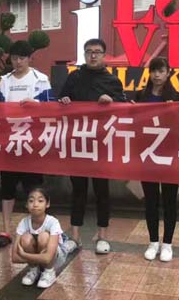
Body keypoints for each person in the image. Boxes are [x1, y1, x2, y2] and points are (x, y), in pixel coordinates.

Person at [59, 38, 126, 255]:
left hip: (102, 144)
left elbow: (125, 109)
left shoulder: (112, 81)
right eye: (89, 52)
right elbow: (60, 101)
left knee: (101, 191)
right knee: (78, 191)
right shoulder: (74, 77)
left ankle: (102, 236)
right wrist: (64, 101)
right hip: (78, 142)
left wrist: (112, 101)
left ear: (104, 55)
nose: (93, 55)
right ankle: (75, 236)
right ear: (84, 54)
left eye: (97, 52)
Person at [0, 40, 54, 248]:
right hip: (10, 142)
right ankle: (6, 230)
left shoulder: (40, 79)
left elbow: (51, 107)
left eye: (22, 58)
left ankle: (38, 229)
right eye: (14, 58)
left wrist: (36, 104)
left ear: (30, 58)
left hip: (32, 142)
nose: (18, 62)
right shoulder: (4, 80)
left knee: (34, 188)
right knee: (7, 188)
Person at [133, 57, 179, 262]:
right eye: (154, 71)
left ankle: (168, 244)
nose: (157, 75)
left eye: (161, 71)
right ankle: (153, 242)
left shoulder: (176, 96)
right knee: (150, 201)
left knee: (170, 201)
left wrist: (176, 111)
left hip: (170, 157)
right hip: (147, 155)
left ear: (168, 72)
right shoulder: (141, 96)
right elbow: (134, 123)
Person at [11, 187, 69, 289]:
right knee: (25, 238)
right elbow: (14, 257)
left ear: (47, 204)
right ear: (26, 204)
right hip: (39, 257)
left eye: (40, 201)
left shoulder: (53, 222)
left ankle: (49, 272)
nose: (35, 204)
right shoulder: (24, 223)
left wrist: (24, 254)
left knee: (44, 236)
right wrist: (38, 258)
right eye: (31, 201)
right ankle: (34, 270)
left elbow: (47, 258)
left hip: (56, 258)